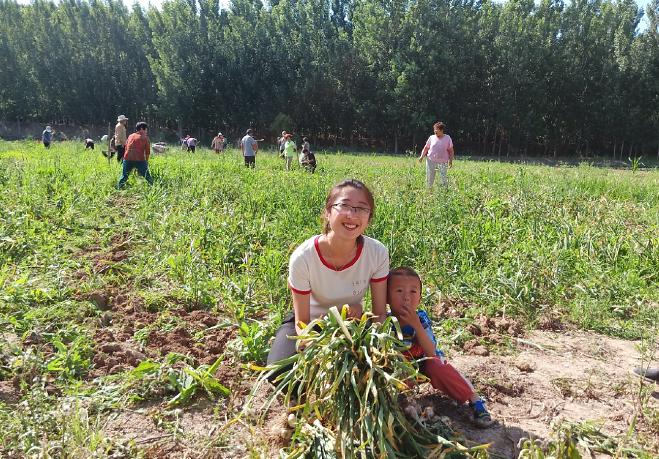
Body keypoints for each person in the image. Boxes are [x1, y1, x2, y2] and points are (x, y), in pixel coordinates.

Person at [266, 179, 389, 376]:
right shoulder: (303, 257)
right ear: (328, 211)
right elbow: (302, 323)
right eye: (344, 206)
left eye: (361, 208)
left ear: (369, 217)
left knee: (379, 369)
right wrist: (320, 349)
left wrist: (375, 348)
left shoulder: (377, 252)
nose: (352, 215)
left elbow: (379, 315)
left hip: (354, 324)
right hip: (311, 324)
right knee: (279, 371)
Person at [387, 266, 494, 428]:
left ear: (420, 297)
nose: (406, 298)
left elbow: (430, 352)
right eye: (399, 291)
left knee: (439, 366)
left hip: (426, 364)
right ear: (386, 297)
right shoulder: (384, 321)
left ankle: (475, 400)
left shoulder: (421, 319)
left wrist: (416, 325)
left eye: (413, 292)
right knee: (398, 381)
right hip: (402, 370)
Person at [117, 121, 153, 188]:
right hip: (139, 159)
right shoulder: (145, 138)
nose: (146, 131)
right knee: (147, 175)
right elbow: (147, 152)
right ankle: (153, 187)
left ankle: (119, 187)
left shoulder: (130, 136)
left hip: (127, 159)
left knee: (124, 175)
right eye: (146, 129)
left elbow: (126, 147)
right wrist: (146, 161)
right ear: (142, 129)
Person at [418, 121, 454, 188]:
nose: (435, 132)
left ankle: (443, 192)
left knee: (443, 179)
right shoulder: (431, 137)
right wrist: (421, 156)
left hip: (443, 162)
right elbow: (426, 148)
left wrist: (450, 161)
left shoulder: (447, 138)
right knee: (429, 178)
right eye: (434, 130)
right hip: (430, 161)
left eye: (437, 130)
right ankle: (429, 191)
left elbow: (451, 151)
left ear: (442, 130)